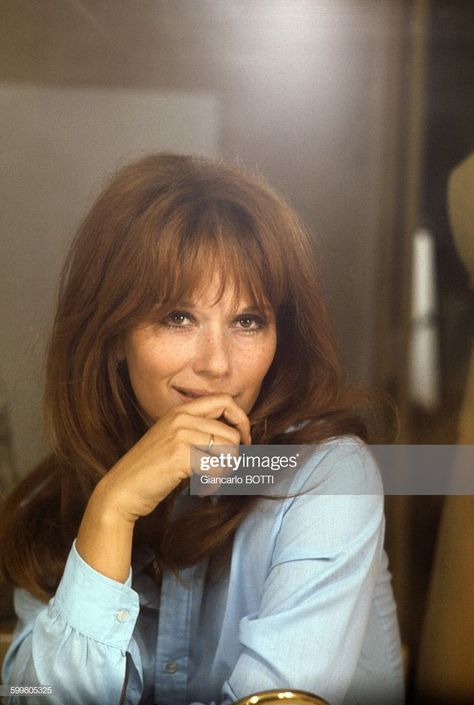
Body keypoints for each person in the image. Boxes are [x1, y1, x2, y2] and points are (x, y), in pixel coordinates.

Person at [0, 153, 404, 705]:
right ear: (113, 334)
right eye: (178, 317)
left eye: (248, 321)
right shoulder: (63, 499)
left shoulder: (325, 479)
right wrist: (110, 511)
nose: (216, 364)